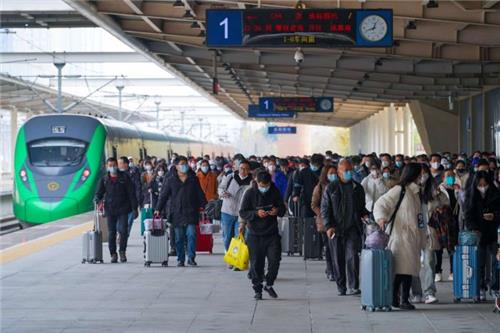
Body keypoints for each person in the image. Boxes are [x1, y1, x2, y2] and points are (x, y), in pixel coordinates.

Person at [373, 163, 426, 310]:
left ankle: (396, 299)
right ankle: (402, 299)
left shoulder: (416, 192)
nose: (422, 177)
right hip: (400, 236)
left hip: (412, 237)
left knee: (405, 270)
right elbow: (380, 204)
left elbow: (419, 217)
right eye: (420, 174)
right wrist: (381, 218)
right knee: (403, 270)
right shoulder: (400, 190)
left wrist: (423, 236)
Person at [321, 159, 368, 296]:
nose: (348, 173)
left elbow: (361, 208)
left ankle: (354, 286)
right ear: (339, 172)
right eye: (345, 171)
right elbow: (325, 208)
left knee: (352, 256)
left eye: (350, 170)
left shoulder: (357, 188)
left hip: (352, 228)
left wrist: (365, 215)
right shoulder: (331, 188)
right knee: (338, 257)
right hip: (335, 229)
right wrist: (328, 226)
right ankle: (341, 286)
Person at [239, 171, 286, 300]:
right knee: (256, 264)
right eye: (262, 185)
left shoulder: (274, 191)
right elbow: (243, 212)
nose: (264, 188)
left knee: (275, 260)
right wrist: (255, 213)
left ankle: (269, 284)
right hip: (254, 234)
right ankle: (257, 288)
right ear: (257, 182)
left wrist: (277, 211)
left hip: (271, 233)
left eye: (267, 185)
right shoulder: (250, 193)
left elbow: (282, 209)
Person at [154, 156, 207, 267]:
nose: (184, 166)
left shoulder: (193, 179)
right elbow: (163, 195)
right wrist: (158, 209)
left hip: (191, 211)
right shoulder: (170, 179)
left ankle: (191, 258)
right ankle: (180, 259)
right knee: (179, 237)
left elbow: (200, 194)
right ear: (176, 166)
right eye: (182, 164)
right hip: (176, 212)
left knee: (191, 234)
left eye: (185, 163)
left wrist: (206, 207)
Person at [411, 164, 450, 304]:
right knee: (413, 263)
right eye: (420, 174)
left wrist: (440, 195)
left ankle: (429, 292)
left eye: (425, 173)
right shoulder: (409, 191)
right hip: (414, 232)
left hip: (429, 231)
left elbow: (446, 204)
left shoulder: (434, 190)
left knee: (429, 261)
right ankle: (416, 293)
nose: (423, 176)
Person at [464, 170, 500, 300]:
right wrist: (473, 228)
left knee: (497, 262)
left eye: (485, 185)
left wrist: (494, 216)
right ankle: (480, 287)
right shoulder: (471, 196)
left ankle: (495, 287)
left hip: (494, 233)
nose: (483, 187)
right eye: (480, 185)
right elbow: (467, 216)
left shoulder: (496, 194)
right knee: (479, 263)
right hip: (478, 233)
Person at [94, 157, 138, 263]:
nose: (112, 167)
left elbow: (131, 193)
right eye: (110, 166)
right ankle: (113, 254)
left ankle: (122, 251)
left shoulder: (124, 177)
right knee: (111, 232)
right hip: (110, 209)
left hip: (123, 208)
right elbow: (99, 192)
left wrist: (134, 208)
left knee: (123, 231)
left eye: (114, 165)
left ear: (117, 165)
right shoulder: (104, 179)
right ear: (107, 166)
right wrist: (96, 198)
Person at [219, 159, 252, 256]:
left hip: (241, 214)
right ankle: (229, 254)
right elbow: (221, 187)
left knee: (239, 237)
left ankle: (235, 258)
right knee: (227, 237)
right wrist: (222, 193)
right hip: (227, 212)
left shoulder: (252, 182)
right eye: (242, 168)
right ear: (238, 168)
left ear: (249, 170)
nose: (243, 171)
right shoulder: (230, 177)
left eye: (246, 169)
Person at [311, 165, 338, 281]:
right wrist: (322, 214)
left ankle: (335, 269)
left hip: (338, 222)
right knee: (328, 247)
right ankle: (330, 269)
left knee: (336, 248)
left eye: (335, 173)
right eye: (331, 173)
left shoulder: (339, 185)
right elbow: (314, 204)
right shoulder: (320, 187)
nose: (334, 175)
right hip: (325, 223)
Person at [118, 156, 142, 235]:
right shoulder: (116, 174)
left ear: (126, 164)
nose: (119, 165)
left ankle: (124, 236)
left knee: (129, 220)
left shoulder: (134, 172)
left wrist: (138, 201)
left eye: (121, 163)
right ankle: (120, 234)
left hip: (131, 201)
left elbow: (138, 187)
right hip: (120, 202)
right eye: (119, 164)